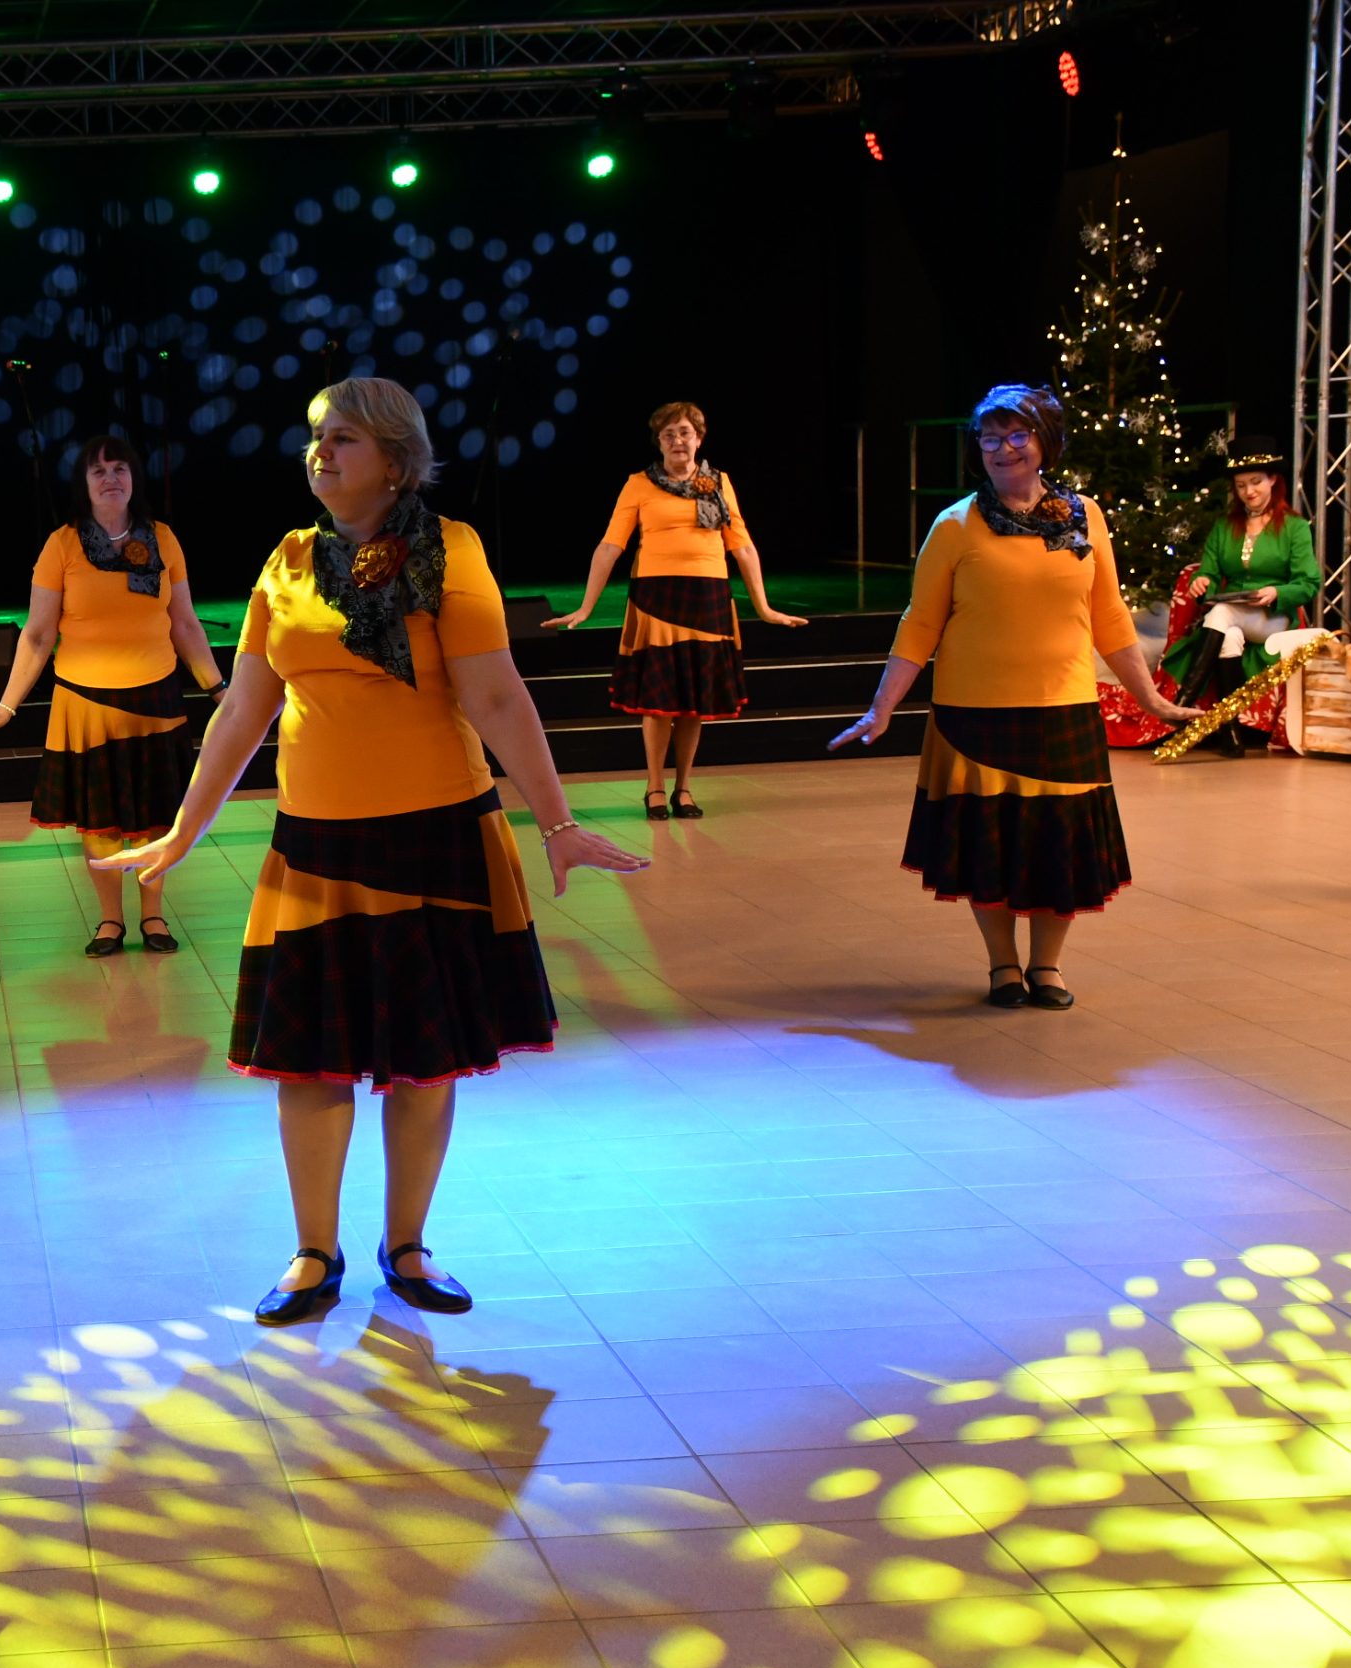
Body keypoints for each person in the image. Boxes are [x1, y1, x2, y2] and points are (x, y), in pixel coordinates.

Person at [100, 378, 646, 1324]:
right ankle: (314, 1252)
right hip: (314, 846)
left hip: (437, 836)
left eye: (343, 437)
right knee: (308, 1059)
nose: (320, 451)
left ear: (396, 460)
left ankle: (408, 1245)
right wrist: (188, 827)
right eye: (316, 435)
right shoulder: (288, 558)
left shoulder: (453, 551)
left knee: (424, 1060)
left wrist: (558, 823)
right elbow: (243, 708)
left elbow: (497, 696)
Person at [831, 385, 1192, 1009]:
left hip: (1064, 708)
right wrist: (882, 706)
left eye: (1017, 435)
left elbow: (1109, 617)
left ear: (1045, 442)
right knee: (990, 849)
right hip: (974, 715)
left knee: (1059, 847)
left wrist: (1150, 698)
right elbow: (920, 624)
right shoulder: (955, 525)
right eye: (990, 438)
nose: (1003, 449)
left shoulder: (1085, 516)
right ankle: (1002, 963)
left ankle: (1046, 965)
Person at [0, 435, 222, 955]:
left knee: (157, 817)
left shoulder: (162, 538)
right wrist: (6, 707)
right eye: (99, 471)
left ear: (134, 478)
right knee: (101, 821)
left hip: (156, 700)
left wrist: (219, 689)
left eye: (120, 468)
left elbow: (185, 624)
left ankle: (154, 915)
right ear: (84, 484)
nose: (111, 478)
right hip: (86, 704)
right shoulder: (62, 545)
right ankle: (109, 921)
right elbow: (37, 635)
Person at [544, 402, 805, 820]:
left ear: (699, 438)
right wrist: (585, 607)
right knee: (658, 701)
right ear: (659, 442)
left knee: (693, 701)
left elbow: (742, 546)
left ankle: (683, 788)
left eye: (685, 432)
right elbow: (610, 546)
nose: (677, 440)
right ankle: (654, 786)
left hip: (708, 598)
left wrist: (765, 608)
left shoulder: (718, 483)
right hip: (657, 598)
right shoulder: (639, 484)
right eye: (668, 434)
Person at [1169, 435, 1322, 718]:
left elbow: (1309, 584)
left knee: (1221, 613)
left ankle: (1181, 705)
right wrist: (1202, 582)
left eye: (1255, 482)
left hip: (1274, 618)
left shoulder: (1295, 527)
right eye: (1240, 485)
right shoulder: (1224, 527)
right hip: (1234, 616)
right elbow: (1208, 572)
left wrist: (1277, 593)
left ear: (1272, 479)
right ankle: (1230, 728)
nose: (1248, 491)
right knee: (1229, 635)